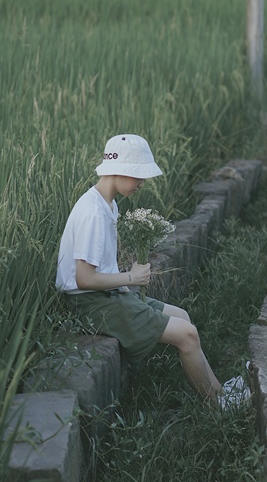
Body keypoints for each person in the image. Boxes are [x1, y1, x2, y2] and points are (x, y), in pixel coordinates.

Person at [56, 133, 249, 408]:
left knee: (183, 317)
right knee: (187, 335)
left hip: (107, 296)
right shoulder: (92, 213)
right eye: (138, 175)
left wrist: (123, 283)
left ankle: (220, 393)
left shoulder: (107, 204)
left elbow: (98, 268)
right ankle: (219, 407)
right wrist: (131, 277)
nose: (142, 183)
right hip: (90, 304)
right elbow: (83, 278)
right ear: (119, 170)